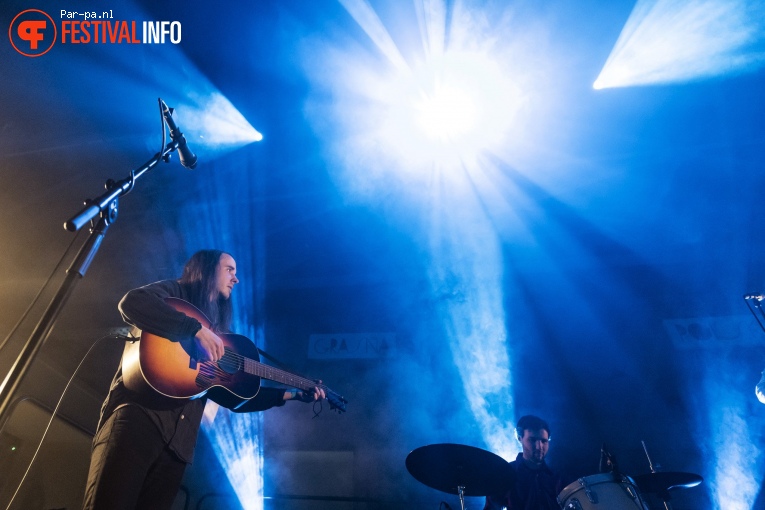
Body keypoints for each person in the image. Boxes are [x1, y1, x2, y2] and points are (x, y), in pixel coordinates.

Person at [83, 249, 325, 510]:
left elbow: (233, 397)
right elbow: (132, 303)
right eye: (229, 269)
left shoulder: (218, 334)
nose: (236, 279)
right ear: (208, 269)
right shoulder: (178, 293)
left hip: (177, 449)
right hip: (138, 419)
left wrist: (290, 394)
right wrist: (193, 329)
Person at [484, 415, 563, 510]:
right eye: (532, 440)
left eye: (544, 441)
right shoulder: (504, 473)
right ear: (520, 438)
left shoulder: (556, 476)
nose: (539, 447)